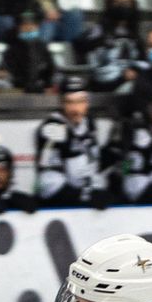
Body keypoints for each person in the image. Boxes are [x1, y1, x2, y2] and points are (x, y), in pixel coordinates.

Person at [35, 75, 107, 207]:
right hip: (62, 206)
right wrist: (85, 197)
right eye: (69, 102)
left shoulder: (89, 123)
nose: (75, 109)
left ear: (87, 102)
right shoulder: (53, 128)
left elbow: (93, 163)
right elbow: (48, 183)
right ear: (62, 103)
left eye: (80, 101)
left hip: (89, 195)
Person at [3, 9, 58, 93]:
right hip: (18, 87)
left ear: (37, 27)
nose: (29, 27)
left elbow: (50, 67)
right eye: (25, 25)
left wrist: (47, 83)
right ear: (19, 28)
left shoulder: (42, 46)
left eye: (32, 25)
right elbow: (10, 70)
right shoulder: (12, 48)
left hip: (42, 85)